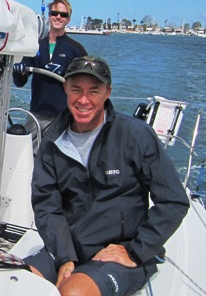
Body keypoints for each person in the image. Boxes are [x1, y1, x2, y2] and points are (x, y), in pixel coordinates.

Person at [24, 56, 190, 296]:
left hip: (120, 250)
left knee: (73, 293)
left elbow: (173, 201)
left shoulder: (136, 135)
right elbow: (47, 207)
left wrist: (136, 250)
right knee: (19, 284)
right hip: (67, 245)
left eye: (94, 91)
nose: (83, 100)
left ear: (108, 92)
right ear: (65, 89)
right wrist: (65, 257)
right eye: (76, 90)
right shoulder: (51, 140)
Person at [12, 0, 87, 151]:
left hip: (64, 115)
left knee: (61, 157)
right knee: (30, 155)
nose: (58, 17)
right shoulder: (35, 47)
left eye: (63, 14)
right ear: (49, 16)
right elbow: (20, 81)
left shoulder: (76, 49)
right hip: (37, 114)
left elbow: (86, 82)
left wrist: (68, 74)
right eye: (54, 13)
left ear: (68, 19)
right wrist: (17, 70)